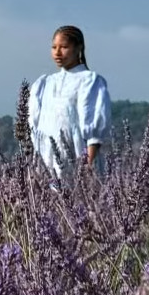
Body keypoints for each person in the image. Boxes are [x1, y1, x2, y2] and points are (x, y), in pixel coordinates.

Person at [28, 24, 111, 179]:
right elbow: (35, 126)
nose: (57, 53)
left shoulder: (89, 80)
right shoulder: (45, 83)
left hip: (77, 160)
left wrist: (88, 167)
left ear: (78, 48)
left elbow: (95, 127)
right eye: (54, 47)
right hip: (47, 163)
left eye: (64, 47)